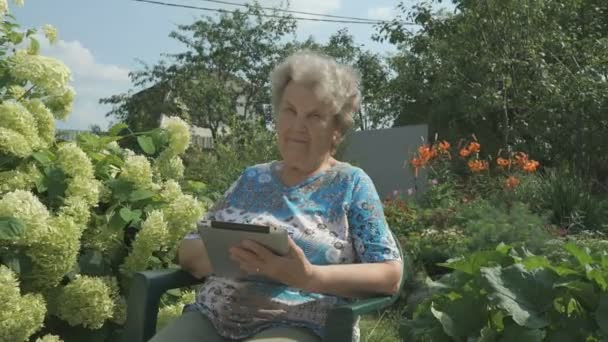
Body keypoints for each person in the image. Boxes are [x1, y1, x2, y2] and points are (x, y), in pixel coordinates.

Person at [150, 51, 403, 342]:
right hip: (213, 316)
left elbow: (390, 275)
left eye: (314, 116)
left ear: (337, 130)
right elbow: (189, 248)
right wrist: (230, 257)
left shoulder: (351, 183)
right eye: (290, 110)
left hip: (300, 323)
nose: (298, 126)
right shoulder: (251, 177)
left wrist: (308, 276)